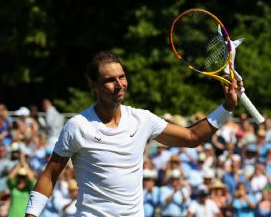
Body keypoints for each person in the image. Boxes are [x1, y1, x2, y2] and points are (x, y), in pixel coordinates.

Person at [25, 50, 239, 216]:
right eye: (110, 80)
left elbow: (193, 137)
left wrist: (227, 107)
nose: (120, 84)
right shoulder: (78, 125)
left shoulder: (142, 119)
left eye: (122, 77)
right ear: (94, 85)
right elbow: (49, 175)